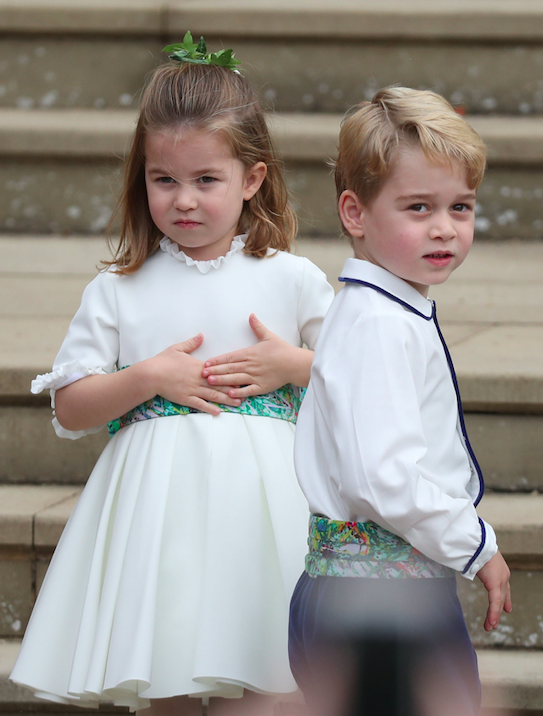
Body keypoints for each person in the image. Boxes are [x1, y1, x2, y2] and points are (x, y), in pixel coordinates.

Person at [10, 34, 334, 716]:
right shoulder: (120, 289)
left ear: (251, 179)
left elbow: (358, 381)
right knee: (169, 674)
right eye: (164, 180)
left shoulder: (291, 279)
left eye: (205, 180)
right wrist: (147, 377)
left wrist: (294, 366)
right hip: (158, 520)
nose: (183, 200)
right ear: (142, 178)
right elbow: (71, 407)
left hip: (266, 514)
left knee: (268, 676)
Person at [289, 87, 512, 716]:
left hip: (370, 589)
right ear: (355, 214)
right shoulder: (379, 324)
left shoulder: (383, 311)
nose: (444, 227)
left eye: (460, 207)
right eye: (419, 207)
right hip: (379, 602)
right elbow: (384, 475)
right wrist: (476, 543)